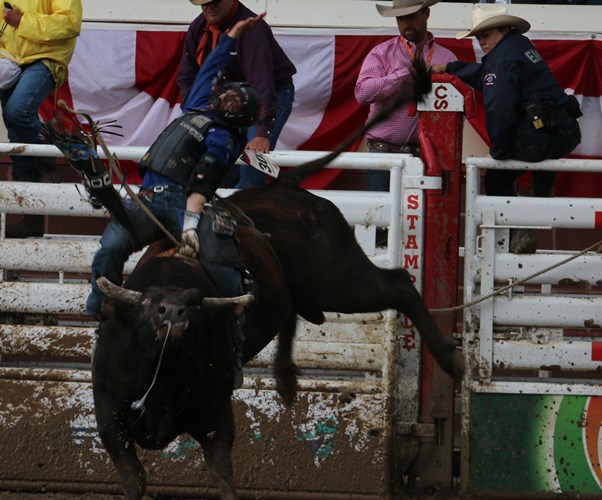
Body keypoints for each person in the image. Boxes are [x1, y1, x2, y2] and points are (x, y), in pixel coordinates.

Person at [69, 16, 265, 387]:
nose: (226, 95)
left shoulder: (223, 138)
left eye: (234, 99)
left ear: (237, 115)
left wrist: (190, 223)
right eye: (229, 93)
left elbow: (205, 176)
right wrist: (231, 39)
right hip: (147, 197)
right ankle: (100, 310)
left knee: (223, 262)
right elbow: (208, 71)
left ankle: (235, 339)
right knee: (110, 245)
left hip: (180, 203)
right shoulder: (198, 108)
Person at [432, 5, 582, 253]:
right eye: (479, 36)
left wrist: (498, 153)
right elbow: (487, 75)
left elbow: (499, 108)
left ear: (503, 29)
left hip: (536, 138)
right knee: (542, 162)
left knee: (496, 178)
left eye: (486, 35)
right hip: (562, 132)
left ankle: (517, 232)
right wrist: (450, 67)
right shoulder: (519, 45)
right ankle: (542, 192)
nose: (482, 42)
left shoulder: (502, 60)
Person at [354, 0, 457, 245]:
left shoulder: (446, 57)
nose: (405, 23)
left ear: (426, 13)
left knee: (419, 231)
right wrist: (405, 74)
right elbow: (362, 94)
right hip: (384, 154)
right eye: (400, 18)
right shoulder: (382, 53)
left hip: (425, 159)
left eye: (410, 16)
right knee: (380, 228)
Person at [178, 0, 296, 188]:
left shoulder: (252, 30)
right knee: (220, 159)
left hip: (269, 94)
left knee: (253, 157)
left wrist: (262, 132)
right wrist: (193, 113)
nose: (209, 7)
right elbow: (186, 76)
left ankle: (251, 204)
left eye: (214, 1)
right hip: (231, 98)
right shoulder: (199, 27)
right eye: (203, 3)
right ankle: (229, 202)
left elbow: (262, 84)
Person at [0, 0, 82, 238]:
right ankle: (31, 221)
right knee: (17, 133)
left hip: (45, 58)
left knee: (17, 112)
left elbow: (70, 23)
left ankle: (47, 152)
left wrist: (22, 22)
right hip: (9, 59)